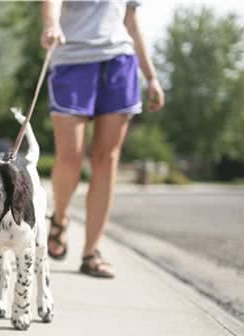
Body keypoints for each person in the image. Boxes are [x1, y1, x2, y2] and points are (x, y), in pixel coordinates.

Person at [41, 0, 164, 278]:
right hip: (72, 60)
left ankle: (91, 252)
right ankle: (59, 219)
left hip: (119, 61)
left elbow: (131, 20)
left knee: (107, 160)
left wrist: (151, 76)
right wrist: (51, 25)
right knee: (70, 157)